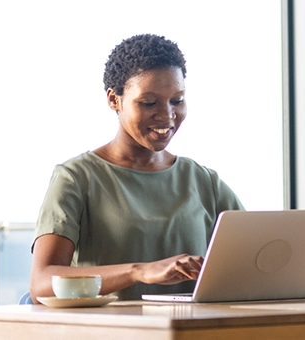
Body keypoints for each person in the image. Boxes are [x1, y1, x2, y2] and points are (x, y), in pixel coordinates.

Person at [29, 34, 244, 303]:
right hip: (113, 331)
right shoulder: (76, 178)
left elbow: (255, 261)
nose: (166, 115)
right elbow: (41, 283)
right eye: (149, 103)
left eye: (177, 100)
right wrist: (139, 271)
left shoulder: (204, 181)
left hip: (192, 329)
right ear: (114, 100)